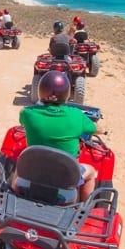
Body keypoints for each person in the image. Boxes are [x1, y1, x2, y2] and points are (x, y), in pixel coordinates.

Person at [15, 71, 98, 200]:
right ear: (66, 94)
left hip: (34, 173)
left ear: (41, 91)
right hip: (65, 180)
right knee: (91, 171)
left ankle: (14, 192)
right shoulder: (76, 115)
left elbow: (22, 120)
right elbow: (94, 129)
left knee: (21, 162)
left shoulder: (27, 113)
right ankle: (84, 205)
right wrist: (103, 131)